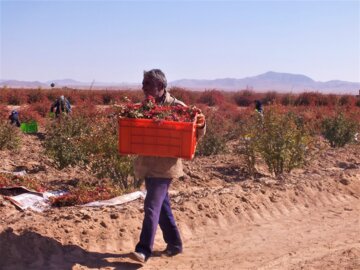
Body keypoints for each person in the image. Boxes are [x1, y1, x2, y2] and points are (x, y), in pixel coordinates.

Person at [131, 69, 206, 263]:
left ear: (161, 87)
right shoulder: (142, 108)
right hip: (148, 164)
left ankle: (143, 250)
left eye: (147, 83)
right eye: (143, 82)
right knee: (162, 207)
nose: (143, 87)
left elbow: (196, 130)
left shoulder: (177, 107)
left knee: (151, 206)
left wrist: (201, 123)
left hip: (165, 167)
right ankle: (174, 244)